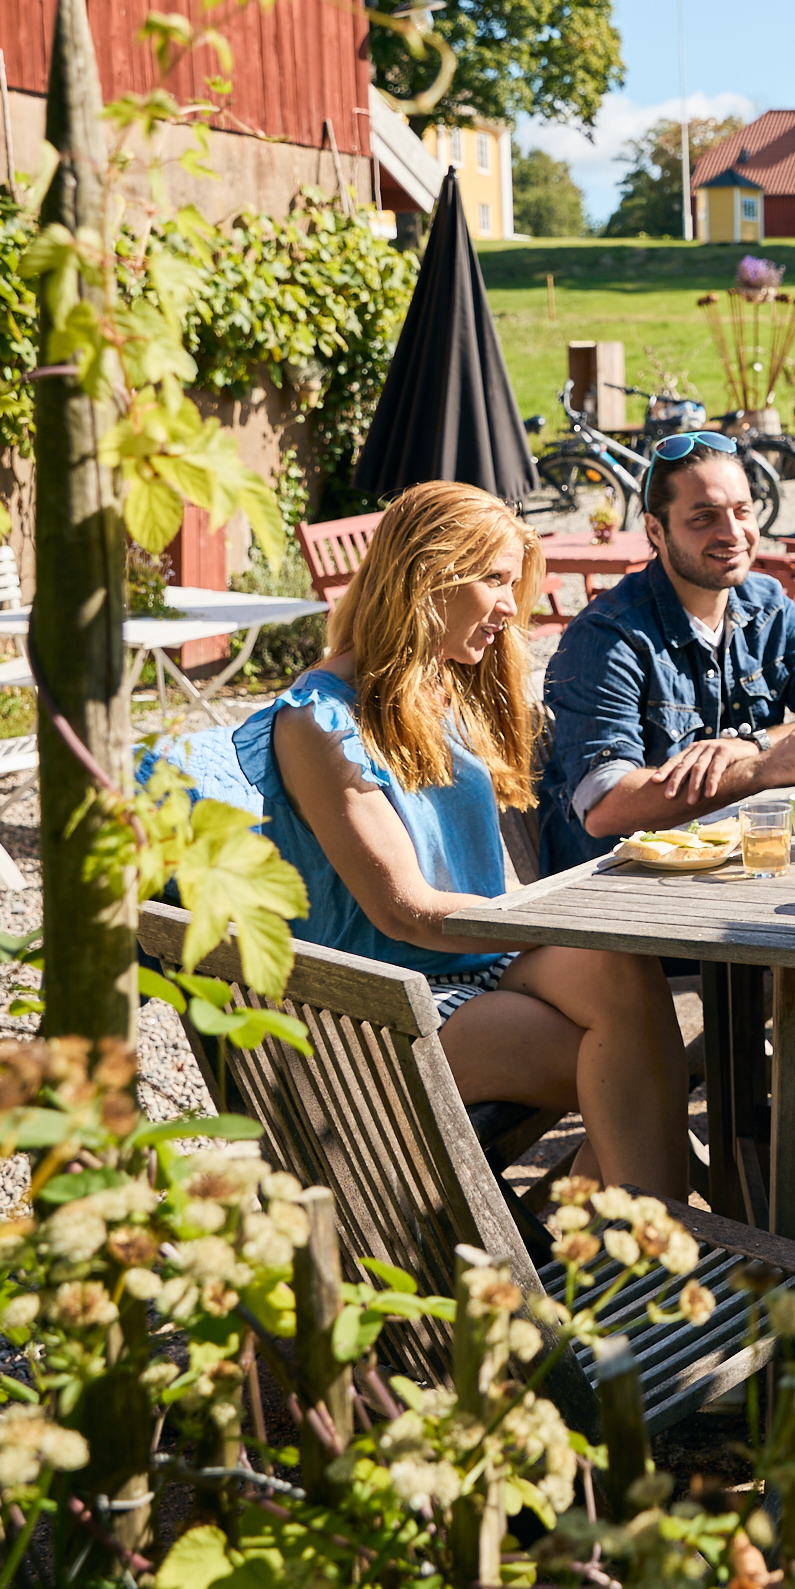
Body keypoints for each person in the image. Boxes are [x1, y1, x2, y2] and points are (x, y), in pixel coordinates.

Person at [237, 480, 689, 1195]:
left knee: (622, 973)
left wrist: (582, 918)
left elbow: (492, 884)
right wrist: (550, 917)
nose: (511, 608)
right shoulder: (319, 720)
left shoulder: (441, 690)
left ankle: (623, 1242)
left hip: (479, 954)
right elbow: (404, 911)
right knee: (638, 1073)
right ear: (428, 577)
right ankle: (655, 1257)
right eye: (495, 581)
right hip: (394, 998)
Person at [540, 433, 795, 1117]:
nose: (732, 533)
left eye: (742, 511)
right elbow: (606, 808)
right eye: (703, 517)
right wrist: (763, 768)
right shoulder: (608, 636)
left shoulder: (762, 602)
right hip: (631, 906)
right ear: (655, 529)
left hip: (747, 873)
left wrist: (755, 744)